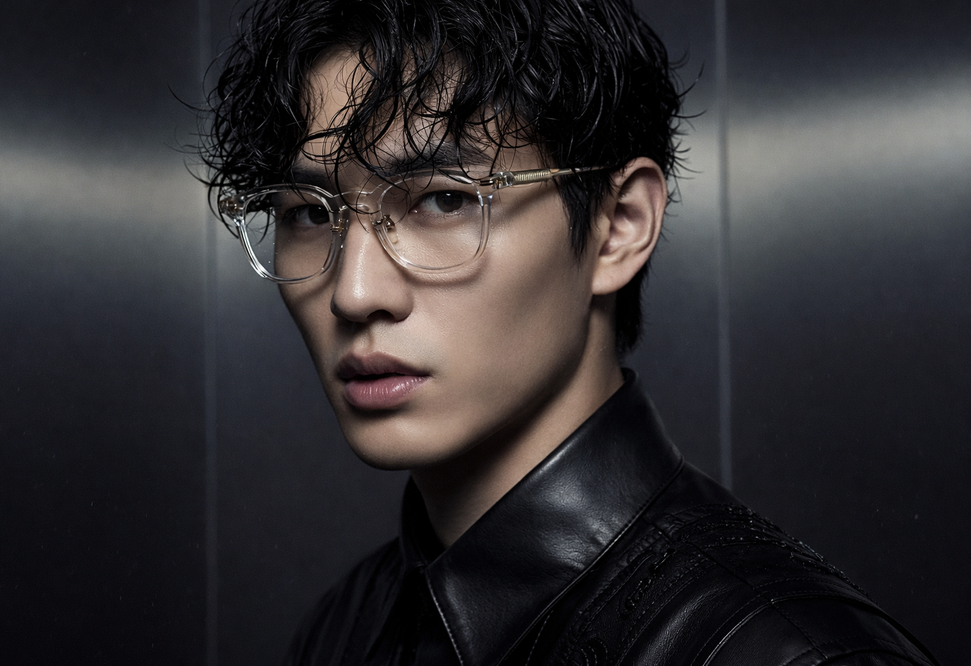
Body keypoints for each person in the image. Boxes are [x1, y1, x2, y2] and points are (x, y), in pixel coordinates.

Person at [201, 0, 938, 663]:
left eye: (444, 200)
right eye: (309, 212)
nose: (354, 292)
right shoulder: (343, 628)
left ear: (619, 227)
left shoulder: (784, 651)